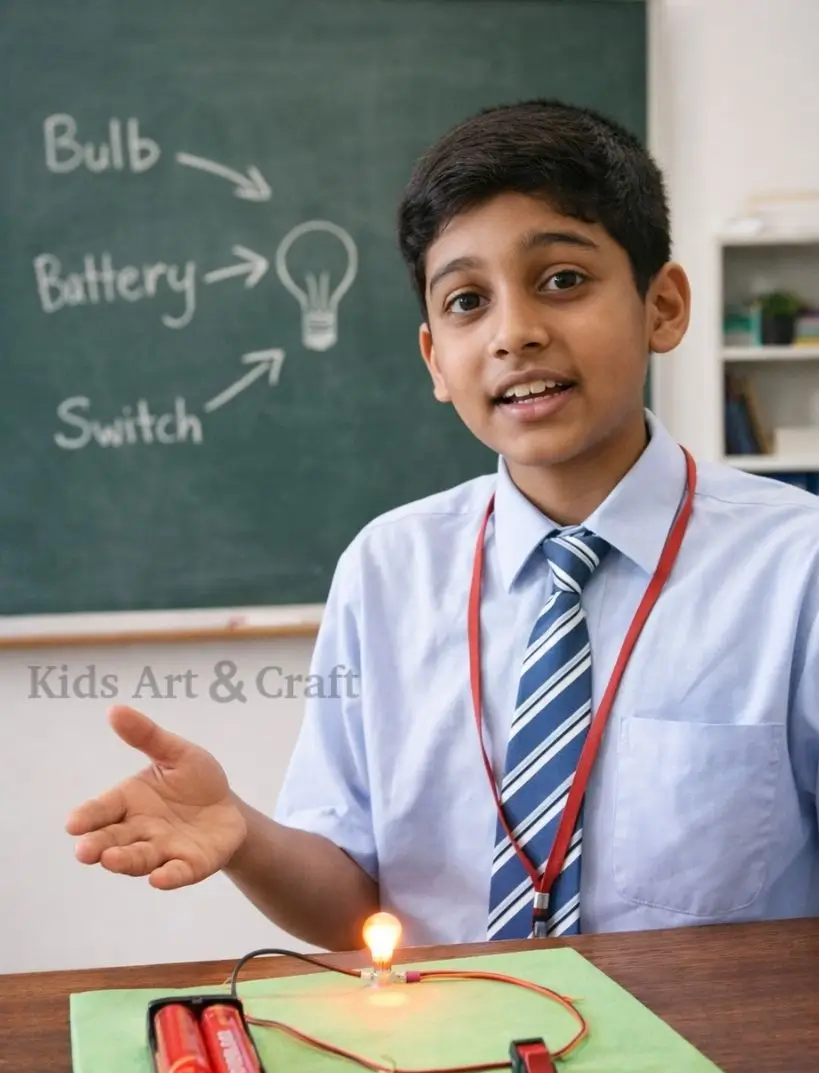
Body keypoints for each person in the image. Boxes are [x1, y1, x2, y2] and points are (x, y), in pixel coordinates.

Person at [66, 99, 819, 951]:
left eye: (562, 280)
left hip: (722, 1072)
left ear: (663, 306)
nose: (515, 333)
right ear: (434, 358)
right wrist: (240, 832)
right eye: (467, 301)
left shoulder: (795, 566)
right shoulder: (387, 568)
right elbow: (359, 901)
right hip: (448, 1062)